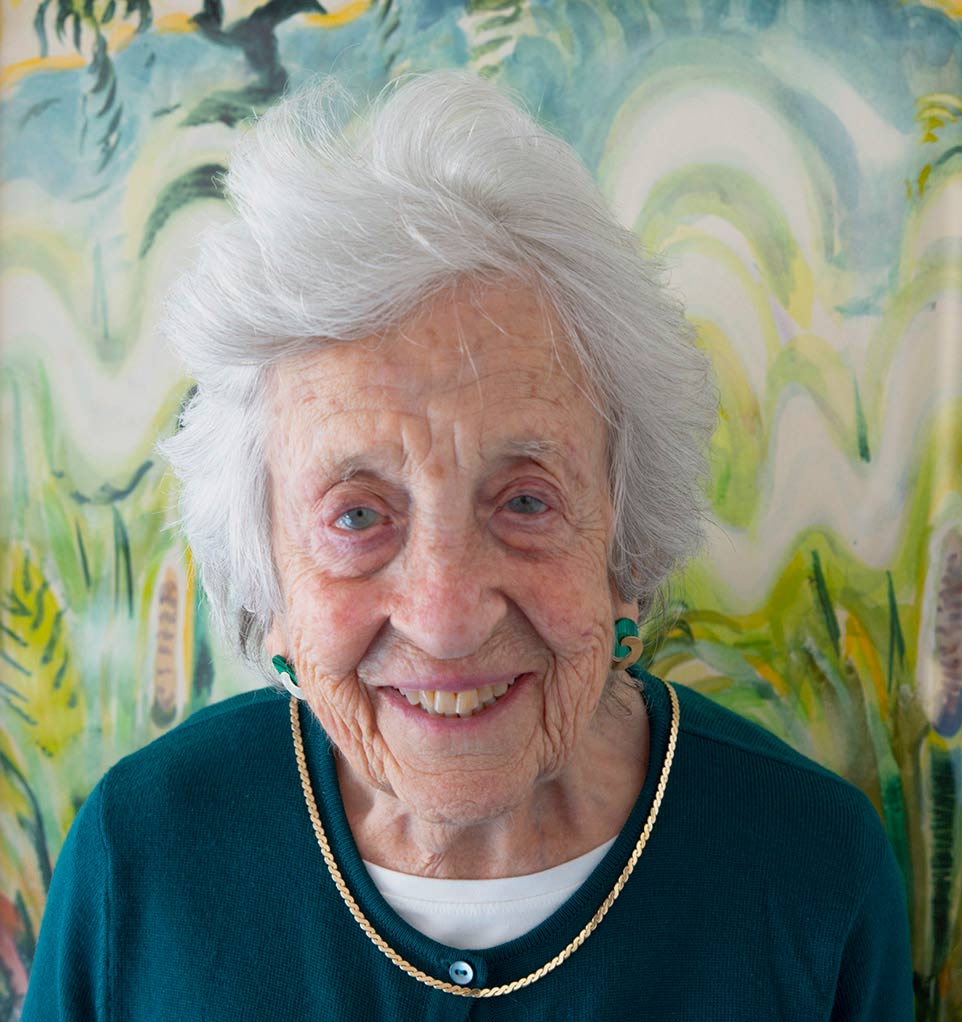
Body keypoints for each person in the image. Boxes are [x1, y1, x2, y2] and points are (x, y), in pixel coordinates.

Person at [23, 71, 913, 1020]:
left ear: (626, 553)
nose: (445, 619)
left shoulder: (810, 866)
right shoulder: (146, 854)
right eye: (358, 517)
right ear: (270, 582)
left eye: (525, 501)